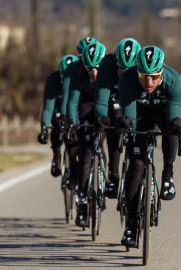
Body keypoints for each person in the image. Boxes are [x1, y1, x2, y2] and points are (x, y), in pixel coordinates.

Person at [114, 46, 181, 247]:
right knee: (136, 166)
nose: (149, 82)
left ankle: (168, 176)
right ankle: (130, 226)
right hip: (140, 112)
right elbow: (130, 117)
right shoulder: (127, 80)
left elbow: (174, 113)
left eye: (154, 76)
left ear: (161, 72)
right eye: (144, 76)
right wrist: (126, 124)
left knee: (171, 128)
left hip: (163, 109)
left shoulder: (174, 80)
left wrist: (177, 124)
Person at [64, 43, 107, 227]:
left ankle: (106, 181)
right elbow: (72, 100)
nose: (94, 74)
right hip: (85, 103)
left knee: (102, 145)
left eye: (97, 68)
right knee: (86, 152)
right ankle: (82, 202)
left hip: (104, 103)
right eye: (90, 69)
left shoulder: (109, 66)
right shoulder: (77, 69)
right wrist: (72, 123)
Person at [94, 38, 141, 199]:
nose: (125, 73)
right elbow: (101, 99)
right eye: (122, 68)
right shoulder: (106, 65)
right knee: (115, 120)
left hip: (135, 96)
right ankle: (114, 176)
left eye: (130, 69)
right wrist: (101, 115)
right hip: (115, 97)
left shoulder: (142, 68)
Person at [37, 55, 79, 177]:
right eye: (62, 77)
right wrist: (44, 129)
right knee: (57, 123)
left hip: (73, 104)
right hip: (57, 106)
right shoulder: (52, 80)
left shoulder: (80, 78)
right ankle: (56, 155)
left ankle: (73, 160)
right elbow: (48, 107)